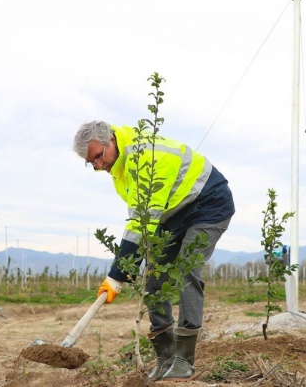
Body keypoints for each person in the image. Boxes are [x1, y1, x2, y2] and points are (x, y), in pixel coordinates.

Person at [73, 121, 235, 381]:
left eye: (98, 157)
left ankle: (184, 360)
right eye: (91, 162)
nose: (98, 166)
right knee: (154, 278)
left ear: (111, 141)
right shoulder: (119, 167)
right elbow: (140, 219)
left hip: (208, 204)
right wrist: (125, 271)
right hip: (171, 215)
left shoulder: (145, 158)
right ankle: (166, 356)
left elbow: (142, 222)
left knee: (185, 271)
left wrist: (117, 275)